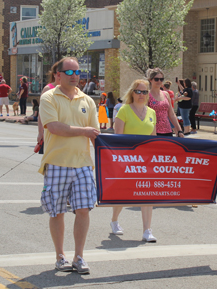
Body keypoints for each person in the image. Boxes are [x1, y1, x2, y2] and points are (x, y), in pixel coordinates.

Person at [39, 56, 100, 274]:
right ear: (58, 75)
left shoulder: (88, 100)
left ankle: (79, 257)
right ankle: (60, 256)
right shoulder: (48, 98)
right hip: (56, 163)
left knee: (83, 209)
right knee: (57, 212)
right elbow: (54, 127)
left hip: (83, 164)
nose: (76, 77)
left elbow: (95, 134)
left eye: (78, 73)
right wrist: (83, 131)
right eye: (70, 73)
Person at [110, 79, 157, 242]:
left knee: (147, 195)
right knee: (123, 194)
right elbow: (118, 139)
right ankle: (114, 220)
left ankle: (147, 230)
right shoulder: (123, 111)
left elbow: (154, 139)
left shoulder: (152, 113)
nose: (142, 95)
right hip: (127, 160)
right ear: (132, 92)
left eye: (145, 92)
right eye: (138, 91)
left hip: (146, 161)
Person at [146, 68, 184, 137]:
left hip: (167, 130)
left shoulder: (166, 94)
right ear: (150, 80)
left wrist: (179, 130)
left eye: (161, 79)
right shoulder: (147, 95)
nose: (159, 81)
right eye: (156, 79)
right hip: (153, 132)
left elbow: (171, 114)